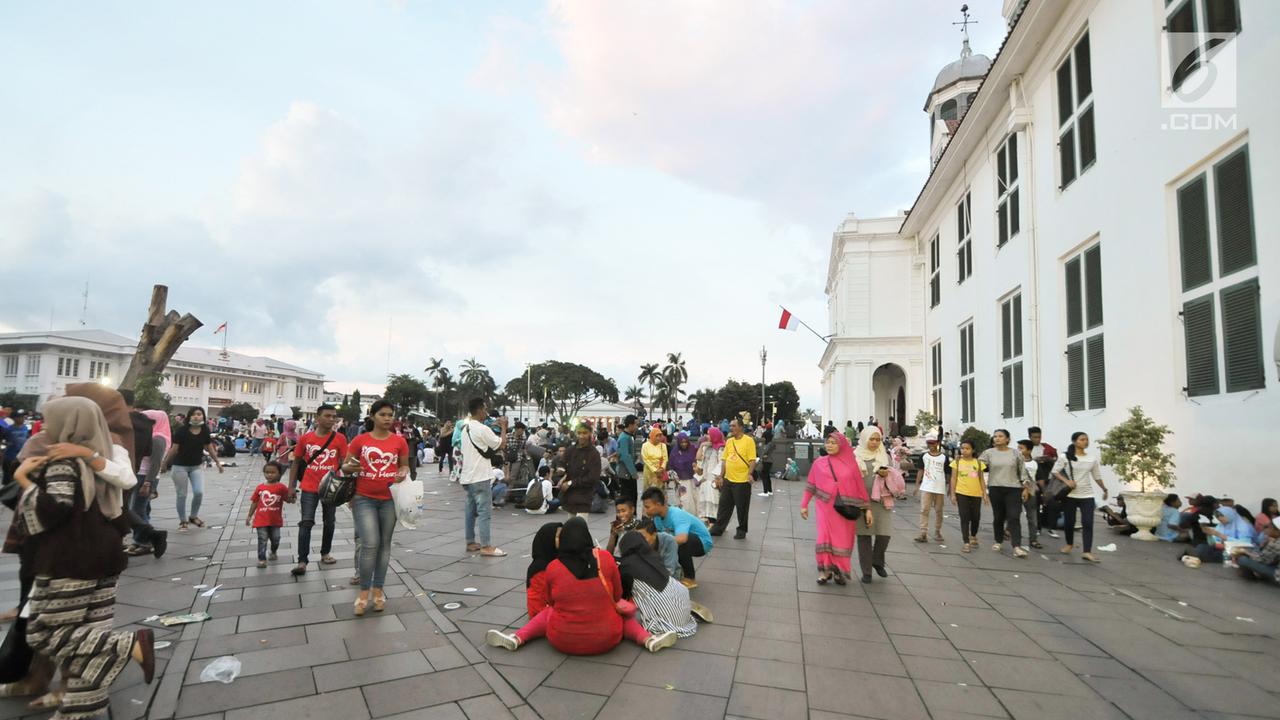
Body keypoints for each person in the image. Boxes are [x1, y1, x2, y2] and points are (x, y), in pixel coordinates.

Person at [10, 398, 157, 718]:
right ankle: (81, 706)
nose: (46, 426)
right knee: (91, 627)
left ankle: (126, 645)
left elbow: (54, 510)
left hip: (71, 556)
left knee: (47, 630)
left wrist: (24, 481)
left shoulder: (65, 459)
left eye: (51, 420)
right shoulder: (103, 450)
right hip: (106, 550)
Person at [485, 517, 678, 654]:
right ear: (587, 536)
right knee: (622, 614)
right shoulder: (605, 558)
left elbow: (551, 601)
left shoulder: (553, 567)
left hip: (562, 639)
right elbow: (617, 593)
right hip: (606, 638)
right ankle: (648, 640)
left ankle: (517, 638)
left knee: (547, 614)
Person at [343, 400, 410, 616]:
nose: (388, 418)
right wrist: (350, 466)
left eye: (390, 414)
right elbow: (345, 465)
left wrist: (403, 471)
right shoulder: (360, 440)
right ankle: (363, 592)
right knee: (370, 543)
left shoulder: (399, 441)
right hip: (364, 498)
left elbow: (405, 465)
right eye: (383, 414)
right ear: (372, 416)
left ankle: (378, 589)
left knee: (384, 545)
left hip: (390, 498)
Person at [800, 430, 869, 586]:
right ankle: (824, 571)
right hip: (824, 506)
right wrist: (804, 505)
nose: (829, 446)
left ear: (842, 445)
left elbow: (860, 488)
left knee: (842, 540)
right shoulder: (819, 463)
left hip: (844, 508)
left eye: (833, 443)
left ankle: (839, 571)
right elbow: (811, 485)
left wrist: (867, 508)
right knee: (823, 537)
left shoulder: (851, 465)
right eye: (828, 443)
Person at [287, 403, 347, 576]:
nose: (331, 419)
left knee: (329, 522)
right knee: (306, 522)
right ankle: (302, 561)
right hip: (309, 486)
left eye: (334, 416)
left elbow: (344, 463)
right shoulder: (306, 438)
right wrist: (291, 487)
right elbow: (296, 462)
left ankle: (325, 552)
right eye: (327, 416)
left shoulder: (340, 439)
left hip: (331, 488)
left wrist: (349, 483)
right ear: (317, 418)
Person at [617, 532, 697, 639]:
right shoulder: (654, 557)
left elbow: (622, 595)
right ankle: (686, 608)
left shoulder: (626, 566)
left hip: (667, 620)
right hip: (681, 603)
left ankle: (652, 636)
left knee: (627, 613)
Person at [160, 407, 224, 531]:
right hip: (180, 467)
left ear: (203, 417)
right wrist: (164, 463)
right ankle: (183, 521)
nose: (196, 416)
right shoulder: (182, 431)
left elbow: (209, 447)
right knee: (181, 495)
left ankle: (193, 516)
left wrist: (218, 462)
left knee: (199, 492)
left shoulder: (205, 430)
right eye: (193, 414)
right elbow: (174, 449)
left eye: (199, 414)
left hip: (196, 466)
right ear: (189, 417)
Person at [459, 398, 508, 557]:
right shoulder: (482, 429)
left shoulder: (465, 428)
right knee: (484, 512)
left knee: (470, 511)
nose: (486, 412)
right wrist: (503, 427)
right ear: (480, 410)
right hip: (480, 476)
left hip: (467, 476)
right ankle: (486, 546)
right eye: (485, 409)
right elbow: (501, 444)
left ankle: (470, 542)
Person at [1051, 431, 1110, 563]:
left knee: (1088, 523)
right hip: (1070, 494)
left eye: (1087, 439)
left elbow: (1096, 476)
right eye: (1082, 439)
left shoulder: (1091, 458)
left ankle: (1087, 551)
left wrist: (1104, 488)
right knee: (1070, 522)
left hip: (1087, 495)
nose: (1085, 442)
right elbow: (1054, 471)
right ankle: (1069, 544)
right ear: (1074, 442)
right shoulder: (1065, 457)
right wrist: (1067, 482)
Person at [642, 486, 713, 589]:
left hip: (702, 543)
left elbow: (682, 538)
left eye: (647, 507)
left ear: (658, 504)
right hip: (681, 540)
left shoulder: (676, 514)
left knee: (680, 542)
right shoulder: (657, 518)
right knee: (660, 541)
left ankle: (690, 578)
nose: (645, 510)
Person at [979, 429, 1034, 558]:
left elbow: (1023, 472)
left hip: (1014, 488)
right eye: (995, 436)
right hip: (995, 487)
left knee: (1014, 516)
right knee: (998, 516)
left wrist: (1026, 488)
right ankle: (998, 541)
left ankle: (1016, 546)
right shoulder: (988, 453)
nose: (997, 438)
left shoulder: (1016, 454)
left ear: (1008, 439)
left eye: (1000, 436)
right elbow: (977, 466)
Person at [125, 408, 171, 558]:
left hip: (146, 477)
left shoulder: (158, 438)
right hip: (141, 475)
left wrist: (148, 483)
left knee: (136, 509)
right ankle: (139, 540)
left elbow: (155, 463)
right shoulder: (151, 435)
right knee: (142, 509)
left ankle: (146, 541)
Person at [854, 425, 896, 582]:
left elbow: (894, 475)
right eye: (871, 439)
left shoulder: (884, 455)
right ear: (865, 439)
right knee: (864, 536)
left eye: (878, 439)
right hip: (861, 500)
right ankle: (866, 572)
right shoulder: (855, 456)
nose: (875, 442)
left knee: (884, 534)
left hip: (881, 501)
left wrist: (886, 474)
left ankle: (877, 561)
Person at [710, 418, 757, 540]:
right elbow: (724, 460)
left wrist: (750, 473)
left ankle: (741, 530)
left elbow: (752, 460)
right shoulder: (729, 441)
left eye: (733, 426)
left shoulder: (749, 441)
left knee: (742, 507)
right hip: (728, 479)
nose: (731, 428)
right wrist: (721, 475)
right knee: (724, 505)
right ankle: (718, 528)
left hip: (742, 480)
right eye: (730, 426)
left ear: (741, 427)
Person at [247, 462, 287, 568]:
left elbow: (288, 499)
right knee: (262, 539)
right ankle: (262, 559)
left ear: (279, 474)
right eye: (267, 472)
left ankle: (273, 551)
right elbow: (254, 502)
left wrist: (292, 497)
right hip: (261, 520)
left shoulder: (281, 488)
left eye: (273, 472)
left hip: (275, 520)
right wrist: (249, 516)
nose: (269, 475)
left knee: (276, 538)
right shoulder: (260, 488)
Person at [949, 440, 987, 552]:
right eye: (962, 448)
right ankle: (966, 542)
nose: (964, 450)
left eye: (967, 448)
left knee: (976, 517)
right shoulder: (957, 462)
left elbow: (981, 479)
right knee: (964, 517)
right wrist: (953, 494)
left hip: (976, 493)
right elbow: (953, 478)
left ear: (973, 450)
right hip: (961, 493)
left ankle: (973, 535)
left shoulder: (978, 463)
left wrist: (985, 493)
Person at [1187, 506, 1255, 564]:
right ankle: (1196, 554)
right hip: (1223, 548)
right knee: (1201, 547)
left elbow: (1245, 544)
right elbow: (1213, 543)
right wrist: (1209, 534)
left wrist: (1219, 535)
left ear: (1230, 514)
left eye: (1222, 515)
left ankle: (1195, 555)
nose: (1219, 518)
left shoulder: (1243, 527)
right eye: (1218, 516)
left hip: (1239, 552)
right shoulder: (1221, 525)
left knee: (1203, 551)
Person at [913, 433, 949, 544]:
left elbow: (948, 473)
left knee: (939, 510)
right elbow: (920, 470)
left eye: (933, 443)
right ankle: (923, 532)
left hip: (939, 487)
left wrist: (949, 487)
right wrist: (917, 485)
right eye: (929, 443)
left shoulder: (944, 457)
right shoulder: (924, 456)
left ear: (937, 443)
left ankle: (937, 530)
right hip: (927, 486)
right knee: (924, 509)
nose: (931, 445)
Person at [559, 424, 601, 517]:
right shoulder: (571, 450)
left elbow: (592, 478)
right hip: (570, 496)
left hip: (584, 496)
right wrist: (561, 469)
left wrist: (570, 483)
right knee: (570, 526)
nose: (581, 436)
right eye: (579, 433)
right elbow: (562, 462)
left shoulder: (594, 454)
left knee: (580, 527)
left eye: (585, 433)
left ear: (590, 433)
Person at [525, 522, 562, 619]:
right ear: (548, 540)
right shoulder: (541, 569)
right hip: (542, 615)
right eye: (558, 537)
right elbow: (540, 602)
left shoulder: (556, 559)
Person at [1028, 426, 1058, 538]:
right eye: (1035, 437)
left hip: (1047, 479)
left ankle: (1050, 527)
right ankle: (1037, 528)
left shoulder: (1047, 448)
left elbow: (1056, 460)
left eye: (1039, 437)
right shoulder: (1028, 449)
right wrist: (1035, 460)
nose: (1037, 439)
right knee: (1035, 505)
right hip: (1033, 481)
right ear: (1030, 437)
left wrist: (1048, 459)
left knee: (1050, 505)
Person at [1234, 516, 1279, 583]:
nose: (1267, 530)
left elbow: (1261, 560)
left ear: (1277, 530)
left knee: (1242, 559)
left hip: (1277, 574)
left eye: (1269, 528)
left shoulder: (1276, 544)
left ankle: (1251, 575)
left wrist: (1245, 552)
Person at [694, 429, 724, 524]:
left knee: (714, 501)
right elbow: (698, 458)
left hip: (714, 479)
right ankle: (707, 522)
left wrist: (718, 477)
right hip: (705, 479)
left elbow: (721, 463)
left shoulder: (721, 449)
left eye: (709, 434)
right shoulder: (706, 447)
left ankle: (715, 523)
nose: (707, 436)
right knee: (704, 502)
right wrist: (702, 445)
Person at [669, 432, 699, 515]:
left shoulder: (692, 449)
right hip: (681, 481)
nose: (684, 444)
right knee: (684, 502)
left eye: (685, 442)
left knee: (695, 501)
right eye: (682, 442)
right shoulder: (675, 452)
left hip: (692, 480)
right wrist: (674, 477)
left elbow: (698, 460)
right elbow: (671, 465)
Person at [615, 416, 640, 505]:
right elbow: (626, 457)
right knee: (628, 499)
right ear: (630, 425)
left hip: (627, 473)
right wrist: (633, 473)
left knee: (632, 497)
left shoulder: (628, 436)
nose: (637, 427)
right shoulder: (624, 438)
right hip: (626, 473)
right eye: (636, 425)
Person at [641, 427, 668, 492]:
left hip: (660, 472)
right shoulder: (645, 445)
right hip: (649, 472)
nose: (659, 438)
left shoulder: (663, 446)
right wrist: (655, 470)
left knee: (659, 492)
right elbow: (645, 459)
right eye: (657, 436)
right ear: (652, 436)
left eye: (660, 436)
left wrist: (662, 468)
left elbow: (665, 458)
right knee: (649, 492)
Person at [758, 430, 776, 498]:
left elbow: (765, 452)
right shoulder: (772, 443)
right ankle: (770, 491)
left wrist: (761, 457)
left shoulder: (768, 444)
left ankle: (765, 491)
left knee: (764, 476)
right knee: (767, 476)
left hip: (767, 461)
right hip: (770, 461)